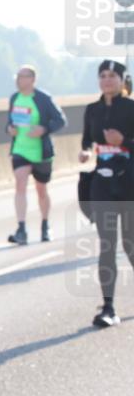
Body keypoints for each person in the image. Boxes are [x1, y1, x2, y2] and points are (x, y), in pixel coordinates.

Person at [77, 59, 134, 328]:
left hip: (129, 183)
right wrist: (86, 151)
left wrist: (124, 142)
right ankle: (108, 307)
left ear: (122, 80)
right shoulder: (92, 109)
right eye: (102, 75)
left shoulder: (131, 108)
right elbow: (87, 140)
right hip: (102, 183)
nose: (107, 80)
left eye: (112, 75)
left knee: (130, 244)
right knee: (107, 244)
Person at [5, 65, 67, 245]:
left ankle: (45, 225)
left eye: (22, 77)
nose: (18, 80)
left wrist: (44, 129)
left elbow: (60, 120)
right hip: (20, 149)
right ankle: (21, 229)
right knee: (20, 184)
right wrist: (10, 129)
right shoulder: (15, 98)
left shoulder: (43, 99)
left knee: (41, 190)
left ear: (32, 79)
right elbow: (9, 122)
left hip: (41, 152)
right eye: (17, 76)